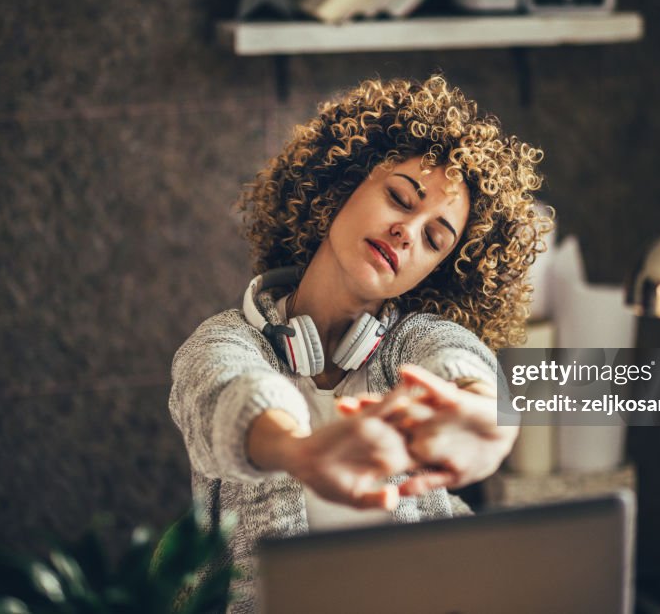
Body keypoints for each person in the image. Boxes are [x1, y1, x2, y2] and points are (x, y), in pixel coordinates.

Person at [169, 74, 551, 612]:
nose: (406, 232)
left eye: (434, 238)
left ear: (434, 274)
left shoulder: (410, 342)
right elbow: (229, 393)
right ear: (342, 184)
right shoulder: (224, 342)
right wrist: (298, 452)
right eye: (400, 197)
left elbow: (458, 363)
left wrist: (487, 417)